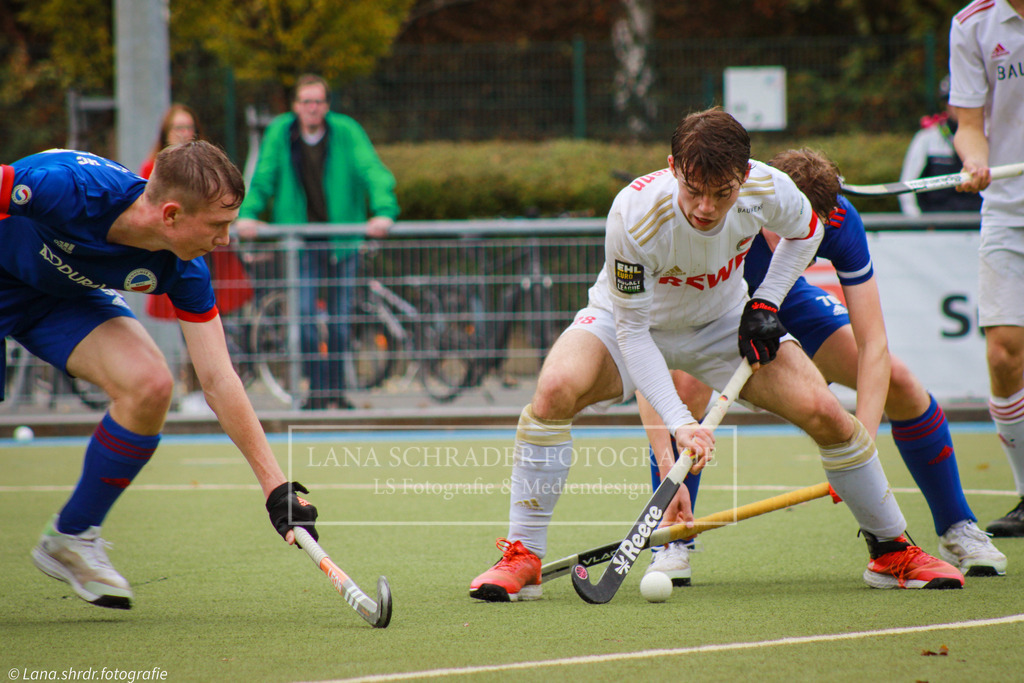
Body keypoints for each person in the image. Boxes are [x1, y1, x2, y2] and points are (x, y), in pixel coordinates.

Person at [468, 108, 963, 602]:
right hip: (630, 323)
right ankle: (523, 556)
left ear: (744, 177)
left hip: (722, 322)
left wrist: (765, 302)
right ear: (672, 166)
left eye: (721, 193)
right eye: (693, 189)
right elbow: (636, 335)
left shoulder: (767, 187)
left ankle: (891, 549)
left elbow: (807, 232)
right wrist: (682, 424)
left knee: (827, 413)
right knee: (555, 389)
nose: (705, 207)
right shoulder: (633, 215)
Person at [638, 148, 1006, 587]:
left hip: (787, 303)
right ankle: (673, 539)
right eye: (782, 234)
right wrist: (666, 462)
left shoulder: (839, 220)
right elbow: (651, 356)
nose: (794, 246)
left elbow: (874, 345)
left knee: (904, 385)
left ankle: (956, 527)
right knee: (684, 390)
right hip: (715, 311)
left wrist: (860, 452)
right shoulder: (722, 207)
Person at [0, 142, 319, 609]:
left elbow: (219, 379)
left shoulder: (184, 269)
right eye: (217, 225)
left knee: (150, 385)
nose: (226, 239)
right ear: (170, 215)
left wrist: (275, 488)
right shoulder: (73, 187)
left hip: (59, 298)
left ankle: (72, 537)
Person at [235, 73, 400, 410]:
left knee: (340, 321)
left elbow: (373, 171)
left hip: (342, 243)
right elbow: (263, 177)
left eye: (318, 102)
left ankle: (336, 391)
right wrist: (248, 214)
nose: (312, 108)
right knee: (305, 318)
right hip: (300, 245)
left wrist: (383, 211)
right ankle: (315, 390)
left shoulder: (346, 131)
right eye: (306, 102)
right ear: (296, 106)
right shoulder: (282, 133)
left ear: (326, 106)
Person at [949, 0, 1024, 537]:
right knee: (1003, 351)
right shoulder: (973, 23)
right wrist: (975, 160)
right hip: (1008, 210)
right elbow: (969, 124)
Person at [140, 105, 254, 359]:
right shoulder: (153, 172)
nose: (185, 133)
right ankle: (194, 389)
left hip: (209, 260)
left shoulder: (209, 171)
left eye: (189, 127)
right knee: (190, 329)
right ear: (166, 133)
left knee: (214, 323)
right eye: (178, 127)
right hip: (178, 257)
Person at [899, 76, 983, 217]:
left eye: (965, 101)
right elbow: (907, 188)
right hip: (937, 227)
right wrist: (920, 225)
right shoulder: (926, 139)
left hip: (981, 223)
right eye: (953, 101)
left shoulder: (989, 137)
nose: (958, 106)